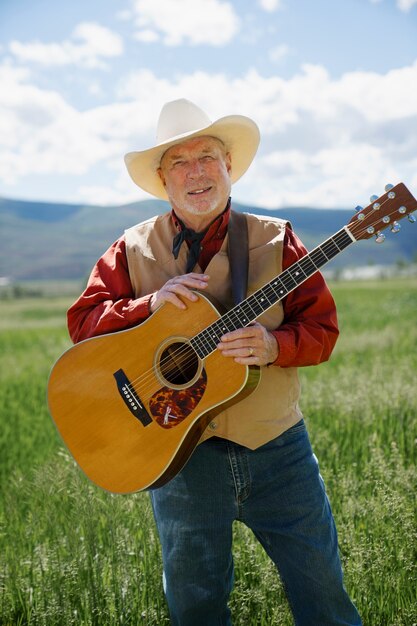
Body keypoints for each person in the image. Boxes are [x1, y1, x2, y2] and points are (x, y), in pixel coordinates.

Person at [67, 98, 362, 625]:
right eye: (180, 161)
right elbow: (83, 322)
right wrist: (147, 306)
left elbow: (323, 331)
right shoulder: (131, 249)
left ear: (229, 167)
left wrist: (275, 346)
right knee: (195, 607)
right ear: (163, 179)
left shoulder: (277, 239)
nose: (197, 171)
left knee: (323, 596)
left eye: (208, 156)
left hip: (277, 449)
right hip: (179, 456)